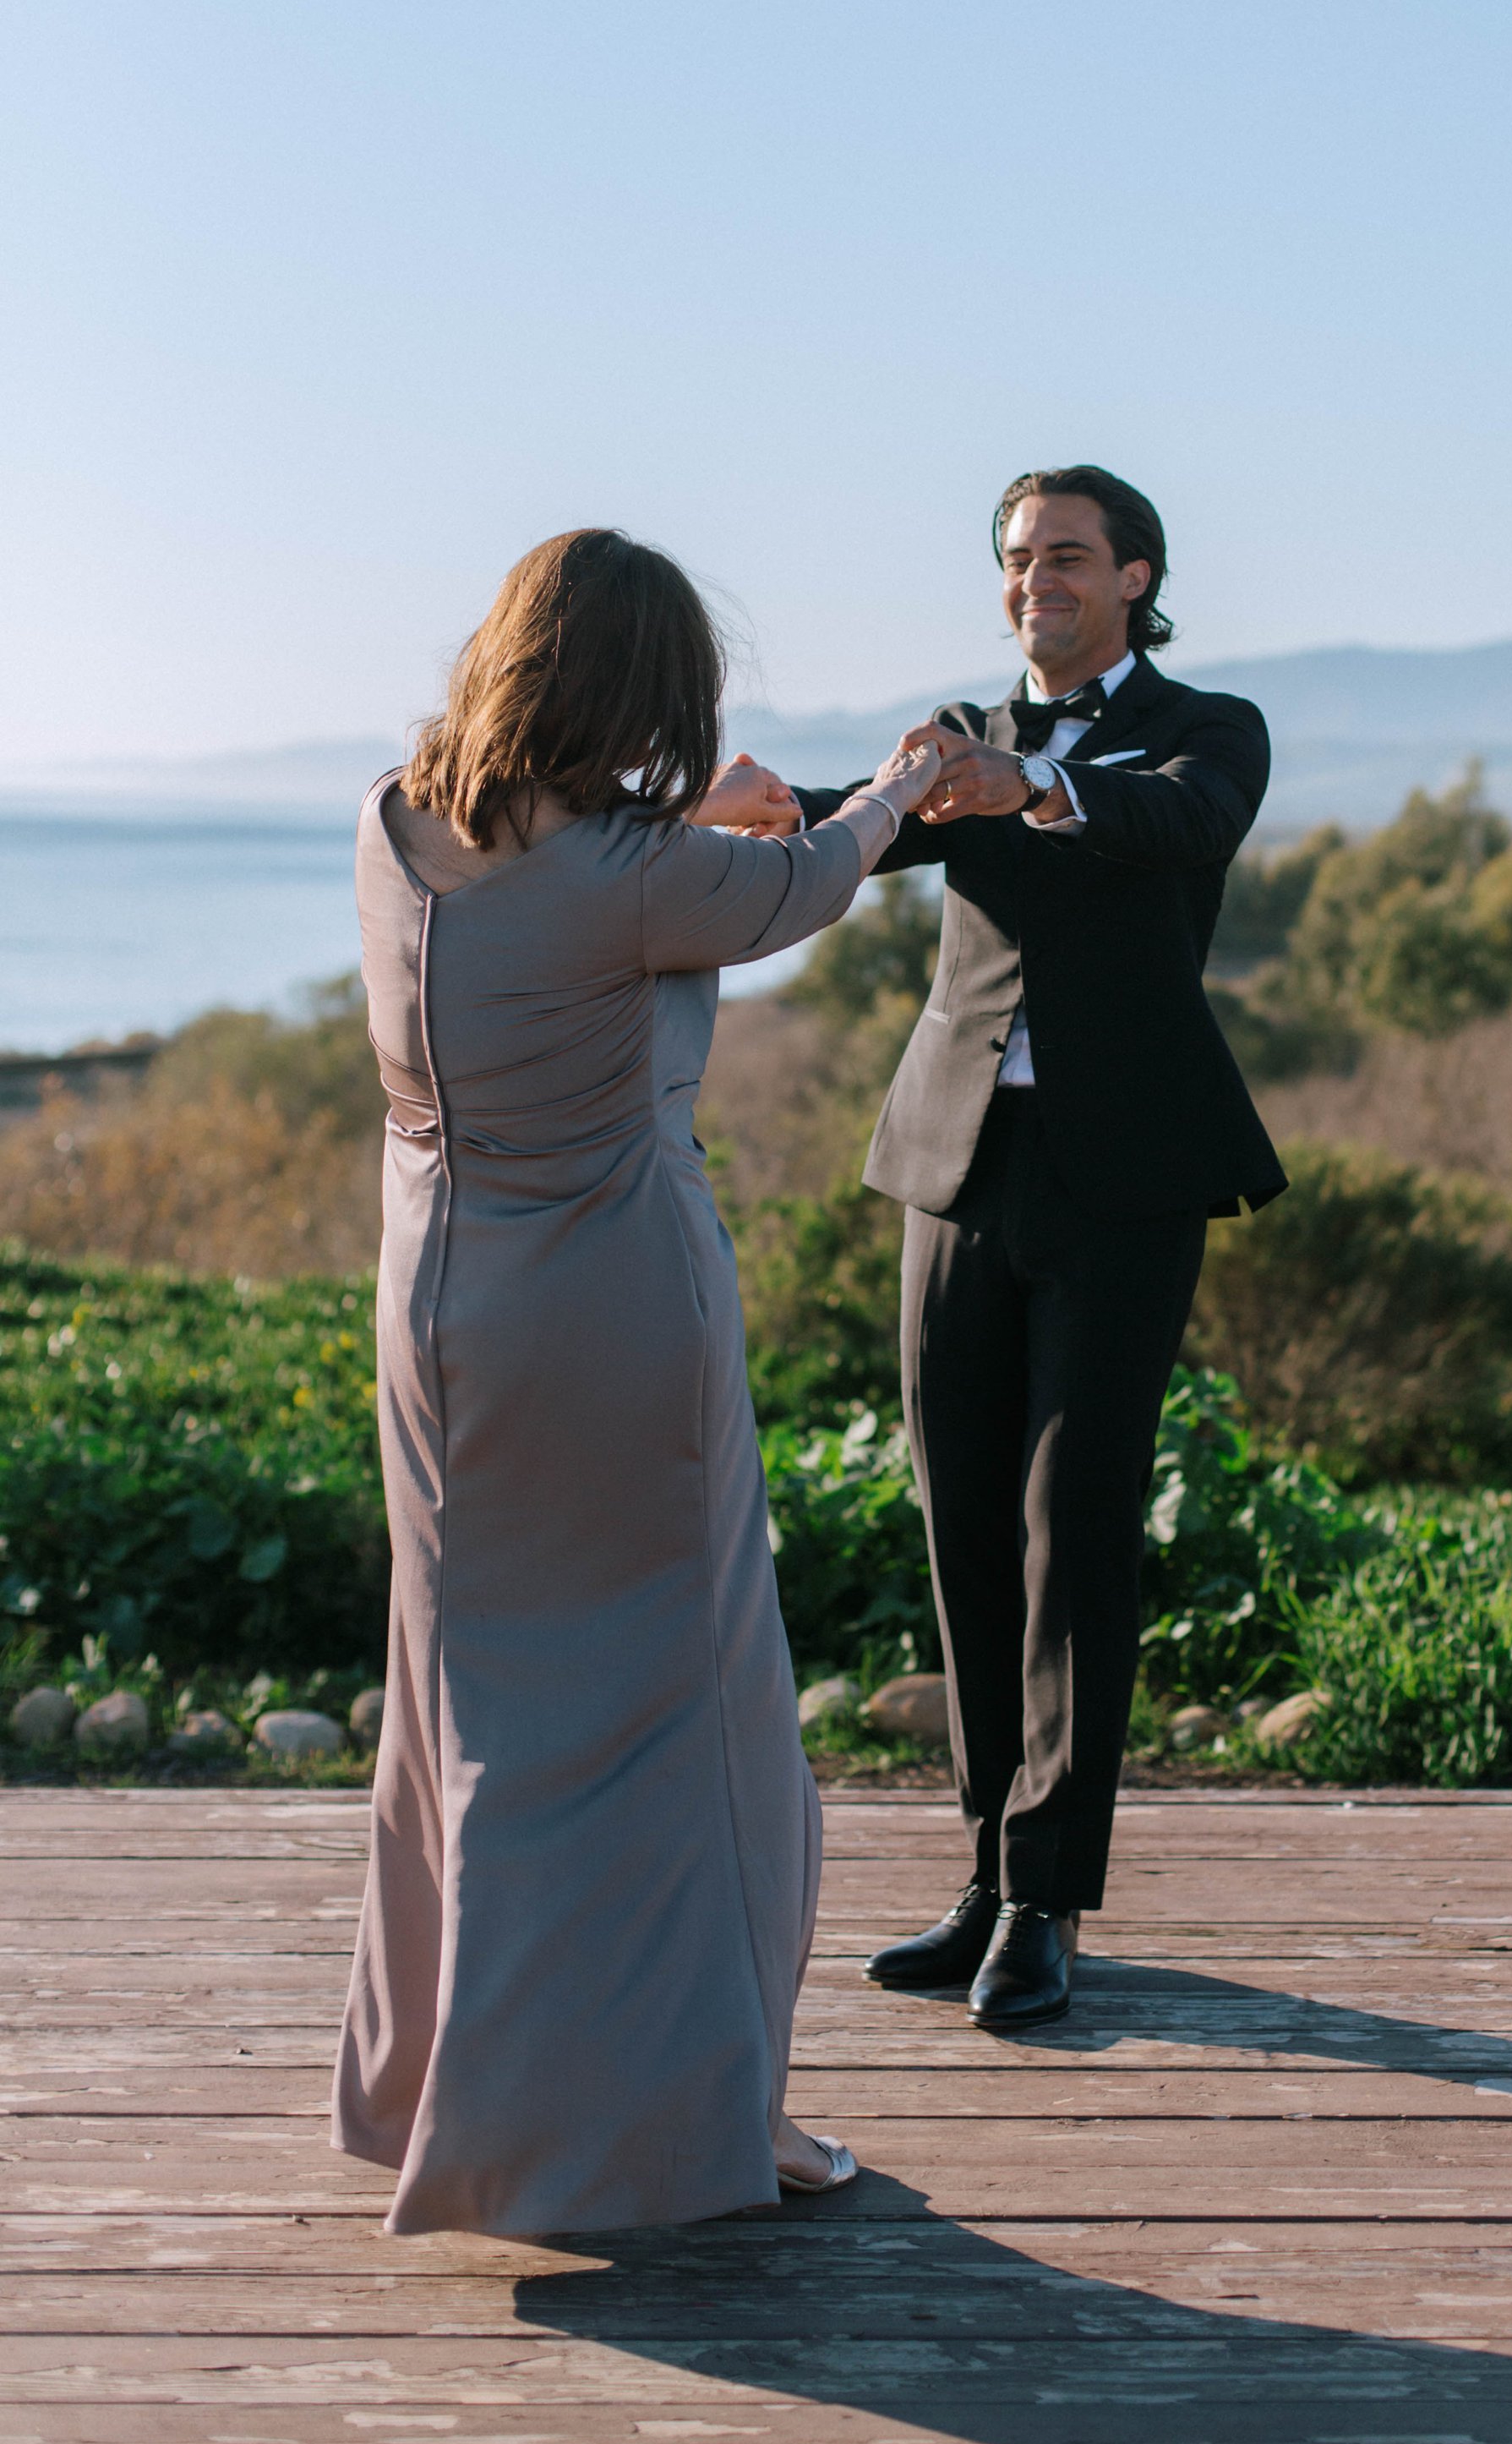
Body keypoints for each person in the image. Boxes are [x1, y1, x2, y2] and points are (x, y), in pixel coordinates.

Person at [330, 528, 947, 2234]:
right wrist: (899, 780)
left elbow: (596, 889)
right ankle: (667, 2130)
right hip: (607, 1320)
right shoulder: (634, 873)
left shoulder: (393, 819)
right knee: (681, 1721)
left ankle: (451, 2092)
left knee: (474, 1701)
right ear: (641, 693)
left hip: (437, 1317)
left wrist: (690, 830)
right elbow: (814, 885)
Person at [779, 467, 1285, 2028]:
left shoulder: (1211, 731)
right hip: (955, 1165)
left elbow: (1175, 825)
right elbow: (868, 833)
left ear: (1135, 575)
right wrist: (764, 816)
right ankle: (987, 1873)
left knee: (1078, 1528)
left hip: (1122, 1177)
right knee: (963, 1519)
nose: (1035, 579)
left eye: (1067, 555)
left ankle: (1053, 1893)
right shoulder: (960, 734)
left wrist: (1037, 792)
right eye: (1017, 558)